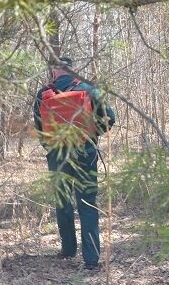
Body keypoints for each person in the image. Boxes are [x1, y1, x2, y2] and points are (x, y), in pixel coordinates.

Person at [33, 57, 116, 269]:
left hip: (57, 155)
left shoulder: (43, 94)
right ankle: (91, 259)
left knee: (63, 202)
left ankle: (68, 250)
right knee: (87, 202)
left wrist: (52, 147)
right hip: (85, 153)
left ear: (53, 72)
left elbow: (40, 128)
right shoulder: (88, 89)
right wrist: (91, 134)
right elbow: (110, 118)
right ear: (73, 70)